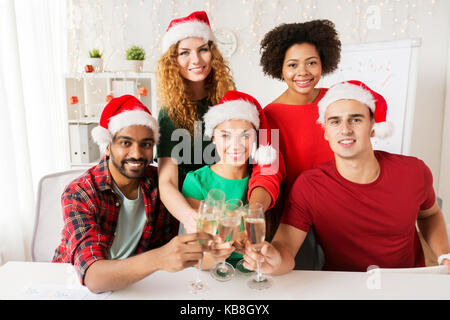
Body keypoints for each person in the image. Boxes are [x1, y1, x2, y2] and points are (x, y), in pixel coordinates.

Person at [243, 80, 450, 273]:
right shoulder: (309, 186)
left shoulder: (413, 171)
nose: (345, 129)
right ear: (325, 132)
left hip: (406, 284)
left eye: (356, 119)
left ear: (372, 127)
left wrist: (444, 255)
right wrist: (274, 261)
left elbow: (430, 214)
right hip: (343, 287)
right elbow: (285, 249)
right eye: (335, 122)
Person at [53, 95, 214, 293]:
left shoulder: (160, 186)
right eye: (126, 143)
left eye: (146, 144)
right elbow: (93, 277)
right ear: (108, 147)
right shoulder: (80, 193)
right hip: (74, 287)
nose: (137, 153)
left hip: (137, 287)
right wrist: (161, 258)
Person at [247, 20, 342, 269]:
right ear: (279, 68)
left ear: (323, 62)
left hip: (340, 209)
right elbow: (268, 172)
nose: (303, 72)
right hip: (297, 219)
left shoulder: (336, 100)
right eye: (292, 65)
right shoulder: (271, 115)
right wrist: (256, 207)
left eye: (311, 62)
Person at [156, 11, 235, 234]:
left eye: (203, 49)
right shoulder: (169, 113)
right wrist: (193, 219)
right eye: (184, 53)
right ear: (173, 61)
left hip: (230, 202)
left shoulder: (229, 101)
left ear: (213, 54)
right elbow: (167, 183)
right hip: (190, 209)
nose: (196, 60)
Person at [181, 90, 276, 270]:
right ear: (213, 137)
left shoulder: (262, 183)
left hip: (256, 274)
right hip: (215, 276)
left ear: (255, 138)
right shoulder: (195, 182)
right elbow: (198, 260)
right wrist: (218, 254)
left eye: (245, 135)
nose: (236, 145)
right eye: (225, 135)